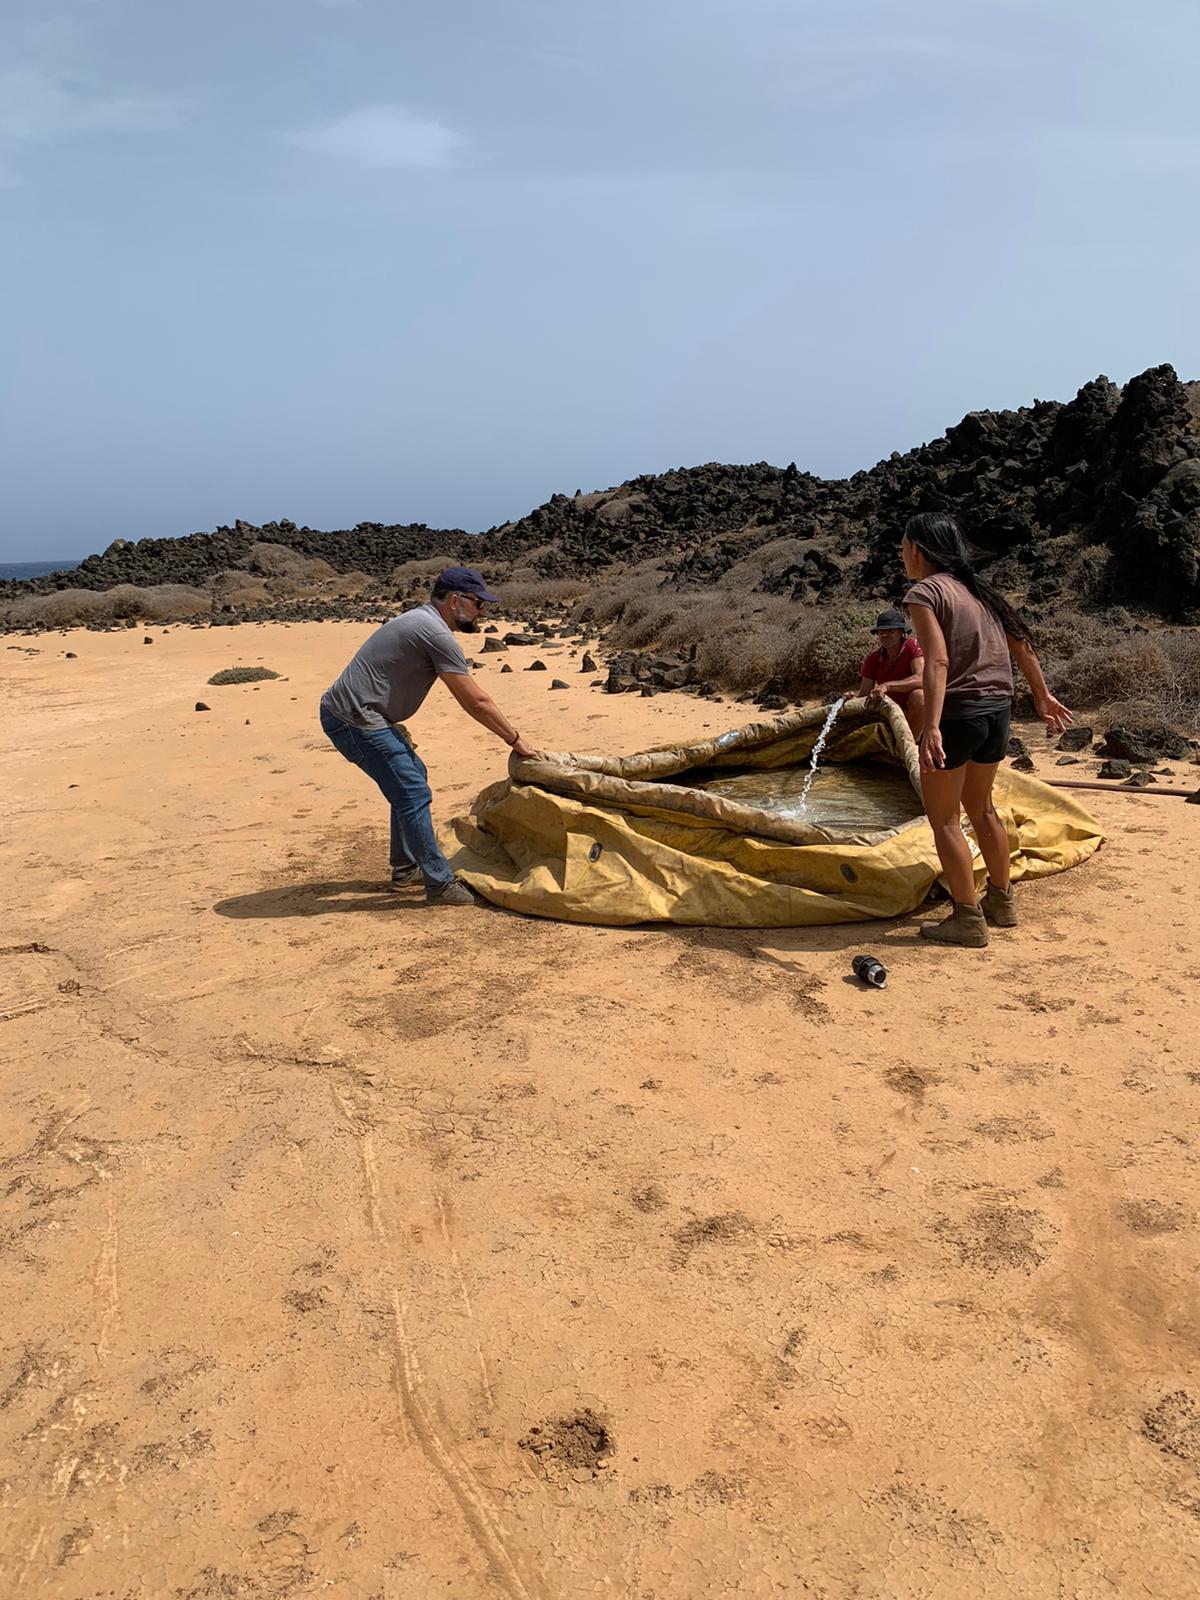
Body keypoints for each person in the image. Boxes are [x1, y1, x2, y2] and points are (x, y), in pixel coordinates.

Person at [319, 566, 539, 907]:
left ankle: (406, 868)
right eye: (479, 604)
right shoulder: (435, 633)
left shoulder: (422, 621)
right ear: (455, 601)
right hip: (354, 718)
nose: (483, 612)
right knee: (412, 790)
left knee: (411, 779)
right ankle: (439, 884)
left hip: (358, 713)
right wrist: (515, 739)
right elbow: (475, 701)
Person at [901, 513, 1072, 948]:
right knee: (983, 809)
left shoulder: (925, 592)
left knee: (944, 820)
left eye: (903, 546)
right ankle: (1002, 901)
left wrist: (931, 726)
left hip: (958, 714)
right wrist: (1042, 696)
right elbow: (1023, 646)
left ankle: (967, 919)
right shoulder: (980, 590)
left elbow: (938, 661)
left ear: (917, 549)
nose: (902, 554)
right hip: (997, 712)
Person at [856, 607, 925, 737]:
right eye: (881, 632)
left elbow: (922, 679)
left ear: (901, 632)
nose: (884, 635)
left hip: (915, 712)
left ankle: (910, 742)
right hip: (890, 712)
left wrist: (887, 686)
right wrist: (850, 700)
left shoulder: (913, 647)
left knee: (919, 696)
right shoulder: (872, 659)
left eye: (890, 631)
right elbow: (864, 695)